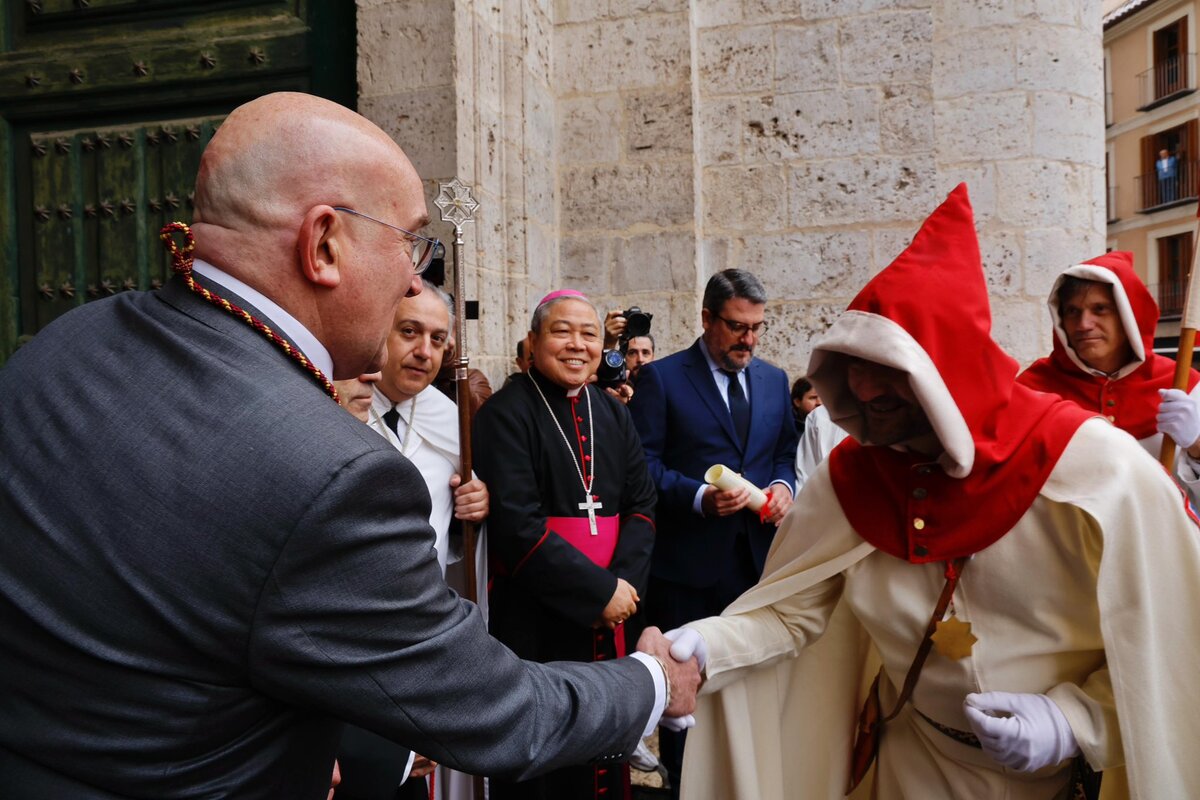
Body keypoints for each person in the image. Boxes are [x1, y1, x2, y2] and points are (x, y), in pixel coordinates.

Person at [0, 92, 700, 799]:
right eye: (411, 243)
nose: (413, 279)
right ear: (324, 243)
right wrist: (651, 682)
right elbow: (497, 714)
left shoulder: (65, 340)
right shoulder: (332, 470)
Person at [666, 184, 1200, 799]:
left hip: (1063, 780)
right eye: (856, 390)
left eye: (894, 394)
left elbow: (1169, 637)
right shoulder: (850, 482)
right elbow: (790, 615)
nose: (872, 415)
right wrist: (707, 645)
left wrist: (1075, 721)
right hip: (912, 769)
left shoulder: (1097, 470)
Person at [473, 289, 658, 800]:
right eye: (561, 332)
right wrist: (598, 592)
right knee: (546, 763)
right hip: (539, 619)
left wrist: (624, 590)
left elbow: (642, 506)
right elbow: (518, 527)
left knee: (607, 754)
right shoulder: (505, 413)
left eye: (589, 334)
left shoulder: (613, 412)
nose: (577, 345)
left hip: (615, 607)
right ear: (532, 342)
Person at [627, 268, 798, 796]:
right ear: (706, 319)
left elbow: (784, 454)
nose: (748, 339)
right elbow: (644, 467)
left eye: (756, 328)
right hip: (688, 570)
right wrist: (700, 497)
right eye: (736, 327)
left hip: (757, 565)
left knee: (753, 688)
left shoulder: (774, 381)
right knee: (688, 701)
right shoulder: (664, 379)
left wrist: (781, 486)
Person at [332, 286, 490, 800]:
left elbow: (455, 548)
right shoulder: (337, 403)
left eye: (438, 339)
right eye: (410, 332)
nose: (425, 351)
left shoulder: (454, 420)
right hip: (345, 636)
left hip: (416, 633)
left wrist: (476, 511)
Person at [1018, 251, 1200, 504]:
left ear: (1129, 316)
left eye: (1100, 309)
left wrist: (1196, 446)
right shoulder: (1031, 390)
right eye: (1072, 311)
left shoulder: (1185, 387)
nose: (1083, 324)